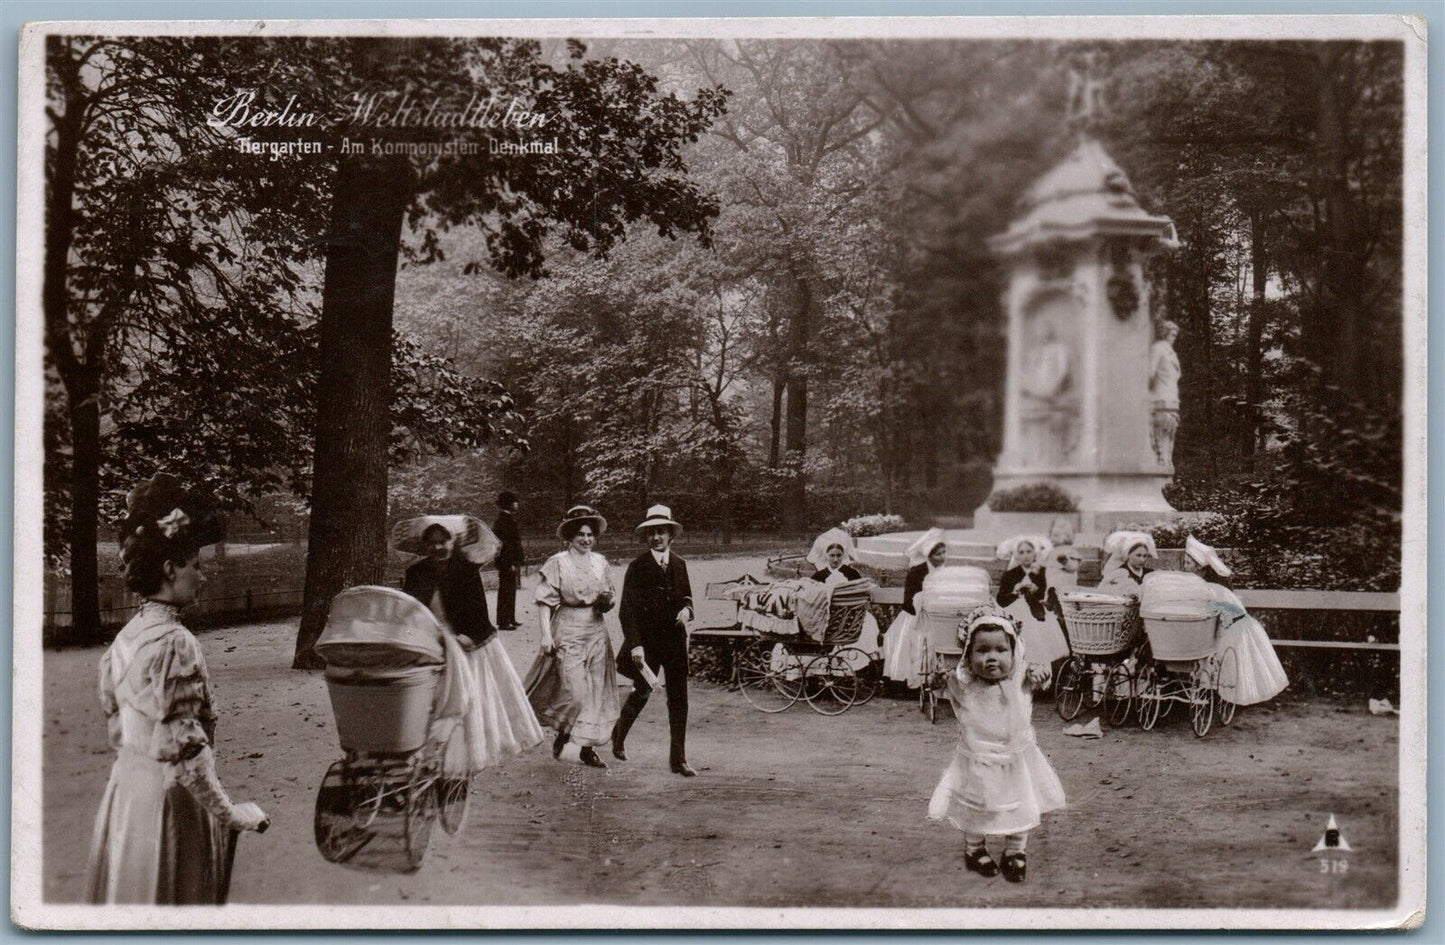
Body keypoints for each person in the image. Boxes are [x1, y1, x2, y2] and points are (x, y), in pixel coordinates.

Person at [87, 474, 268, 905]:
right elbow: (187, 749)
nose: (202, 578)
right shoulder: (175, 643)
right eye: (196, 567)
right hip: (172, 800)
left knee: (135, 898)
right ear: (171, 570)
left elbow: (117, 726)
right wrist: (230, 814)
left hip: (128, 794)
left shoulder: (125, 638)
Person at [928, 604, 1065, 884]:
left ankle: (1016, 851)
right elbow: (941, 686)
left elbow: (1041, 678)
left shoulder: (1021, 678)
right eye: (983, 650)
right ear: (968, 654)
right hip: (978, 759)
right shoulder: (965, 681)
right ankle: (974, 849)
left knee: (1020, 803)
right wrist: (939, 679)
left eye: (1001, 650)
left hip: (1016, 758)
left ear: (1015, 652)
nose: (992, 658)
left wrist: (1041, 673)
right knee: (977, 806)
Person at [398, 516, 544, 770]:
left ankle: (462, 759)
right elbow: (409, 609)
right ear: (424, 545)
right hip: (430, 642)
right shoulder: (416, 572)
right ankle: (427, 754)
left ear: (454, 541)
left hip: (462, 641)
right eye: (431, 543)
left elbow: (478, 610)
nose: (437, 548)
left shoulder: (466, 568)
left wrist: (468, 636)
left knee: (466, 698)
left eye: (443, 541)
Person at [524, 505, 620, 769]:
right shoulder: (558, 562)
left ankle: (585, 747)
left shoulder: (600, 562)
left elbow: (608, 595)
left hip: (596, 630)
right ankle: (564, 733)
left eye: (590, 534)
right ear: (569, 536)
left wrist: (606, 601)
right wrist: (546, 635)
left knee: (595, 692)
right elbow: (545, 602)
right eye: (581, 534)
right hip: (567, 628)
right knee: (576, 692)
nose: (586, 539)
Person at [612, 505, 697, 777]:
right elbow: (627, 609)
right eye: (651, 533)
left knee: (679, 700)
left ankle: (678, 759)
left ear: (671, 534)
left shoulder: (680, 564)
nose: (656, 538)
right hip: (647, 643)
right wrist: (635, 644)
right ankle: (618, 735)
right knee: (642, 692)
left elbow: (687, 597)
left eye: (661, 532)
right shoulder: (637, 567)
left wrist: (687, 610)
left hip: (674, 642)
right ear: (645, 537)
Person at [1183, 536, 1289, 705]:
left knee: (1233, 664)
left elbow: (1207, 611)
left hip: (1235, 628)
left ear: (1200, 568)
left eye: (1188, 563)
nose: (1184, 567)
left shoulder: (1209, 588)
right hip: (1226, 625)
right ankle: (1217, 694)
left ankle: (1227, 697)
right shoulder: (1206, 586)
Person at [881, 528, 948, 689]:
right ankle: (911, 682)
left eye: (944, 552)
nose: (943, 557)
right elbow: (909, 601)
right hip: (914, 616)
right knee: (912, 640)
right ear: (929, 555)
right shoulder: (917, 572)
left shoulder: (945, 572)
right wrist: (926, 601)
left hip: (938, 615)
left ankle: (939, 679)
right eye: (938, 554)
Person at [996, 535, 1069, 666]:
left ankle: (1043, 665)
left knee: (1043, 628)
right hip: (1017, 610)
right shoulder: (1010, 574)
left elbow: (1051, 593)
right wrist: (1014, 592)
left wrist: (1038, 591)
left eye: (1029, 552)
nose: (1025, 556)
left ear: (1035, 554)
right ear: (1016, 555)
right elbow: (1001, 599)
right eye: (1021, 552)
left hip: (1039, 610)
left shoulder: (1043, 573)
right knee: (1024, 626)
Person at [493, 491, 524, 631]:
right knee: (506, 590)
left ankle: (510, 618)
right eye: (515, 501)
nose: (517, 504)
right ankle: (503, 621)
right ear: (509, 503)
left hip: (510, 561)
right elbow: (505, 546)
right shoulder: (503, 521)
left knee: (511, 590)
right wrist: (510, 563)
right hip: (507, 562)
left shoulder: (507, 519)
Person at [1097, 531, 1157, 596]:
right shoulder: (1120, 573)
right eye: (1138, 555)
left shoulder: (1150, 573)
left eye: (1145, 556)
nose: (1142, 560)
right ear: (1128, 555)